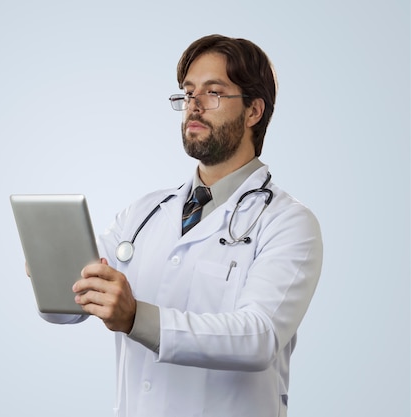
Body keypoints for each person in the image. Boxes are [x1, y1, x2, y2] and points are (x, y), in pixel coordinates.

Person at [37, 34, 323, 417]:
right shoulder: (143, 213)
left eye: (213, 92)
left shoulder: (289, 224)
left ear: (254, 111)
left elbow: (258, 338)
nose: (194, 106)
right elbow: (68, 308)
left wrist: (136, 318)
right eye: (188, 94)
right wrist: (48, 270)